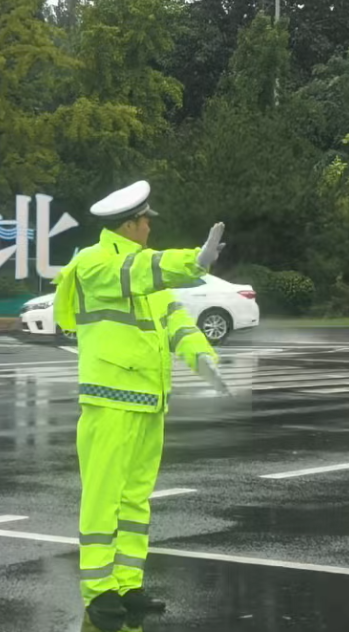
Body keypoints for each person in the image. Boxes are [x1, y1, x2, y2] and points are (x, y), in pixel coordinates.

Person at [52, 180, 225, 631]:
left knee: (134, 500)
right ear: (129, 225)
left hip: (149, 401)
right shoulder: (93, 263)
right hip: (109, 399)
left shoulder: (145, 272)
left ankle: (128, 584)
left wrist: (201, 354)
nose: (150, 226)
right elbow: (136, 274)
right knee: (103, 498)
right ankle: (99, 591)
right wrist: (193, 260)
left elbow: (174, 318)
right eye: (146, 220)